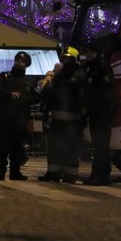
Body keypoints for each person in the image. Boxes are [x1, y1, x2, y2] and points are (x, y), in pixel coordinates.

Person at [38, 47, 86, 184]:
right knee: (54, 147)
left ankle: (70, 174)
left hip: (73, 121)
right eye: (64, 58)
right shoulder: (58, 75)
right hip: (57, 120)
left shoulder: (79, 74)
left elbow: (80, 96)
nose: (65, 60)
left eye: (68, 58)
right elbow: (50, 94)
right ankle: (53, 173)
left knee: (70, 148)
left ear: (74, 59)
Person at [0, 51, 36, 181]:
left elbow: (36, 97)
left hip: (20, 120)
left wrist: (24, 100)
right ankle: (0, 171)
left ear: (26, 65)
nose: (19, 62)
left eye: (22, 61)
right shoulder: (4, 76)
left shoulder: (29, 82)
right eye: (17, 60)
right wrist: (9, 95)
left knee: (17, 147)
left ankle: (15, 172)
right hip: (4, 119)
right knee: (1, 147)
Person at [83, 41, 117, 186]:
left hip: (101, 113)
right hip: (98, 112)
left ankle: (99, 175)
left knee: (100, 145)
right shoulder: (93, 67)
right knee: (100, 145)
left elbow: (105, 90)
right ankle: (103, 174)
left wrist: (99, 108)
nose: (86, 55)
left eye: (89, 52)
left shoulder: (101, 67)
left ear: (94, 52)